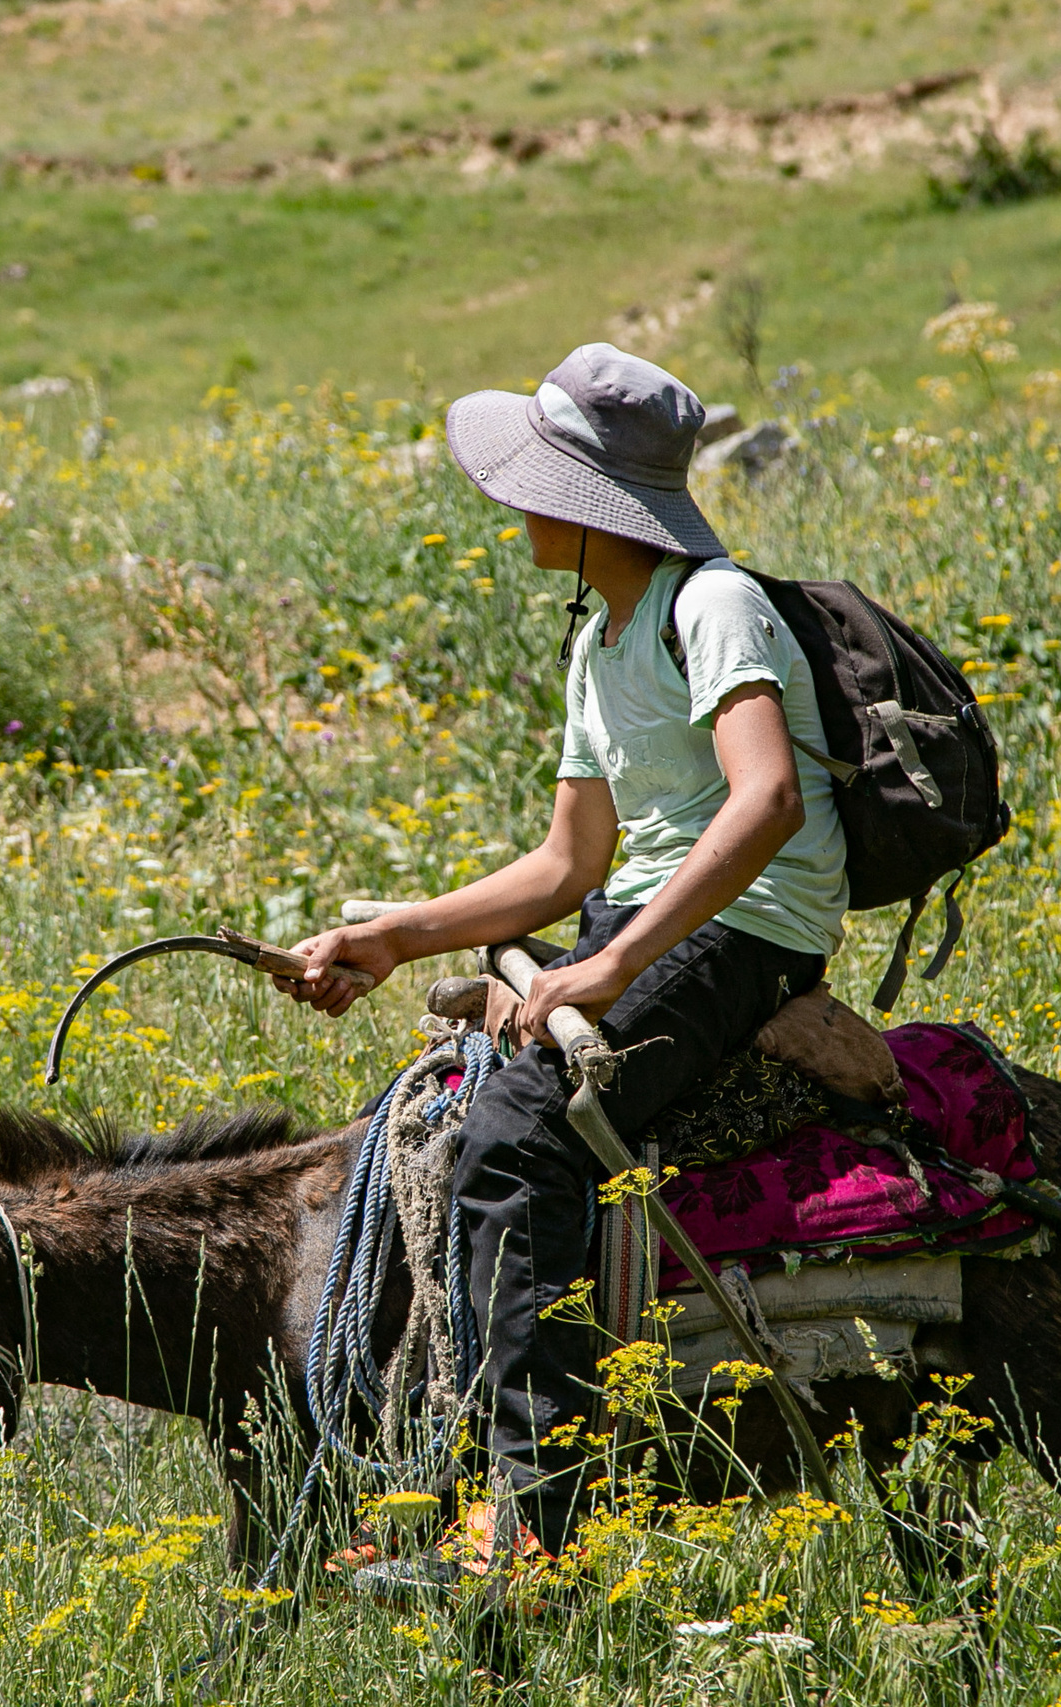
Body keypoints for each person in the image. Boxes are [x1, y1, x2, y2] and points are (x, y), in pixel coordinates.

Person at [273, 343, 850, 1564]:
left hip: (747, 929)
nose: (515, 506)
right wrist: (389, 936)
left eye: (536, 483)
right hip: (653, 921)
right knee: (425, 1121)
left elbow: (766, 804)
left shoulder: (713, 605)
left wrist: (608, 968)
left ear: (585, 506)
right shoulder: (601, 638)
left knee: (522, 1133)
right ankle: (424, 1471)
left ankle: (538, 1519)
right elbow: (564, 865)